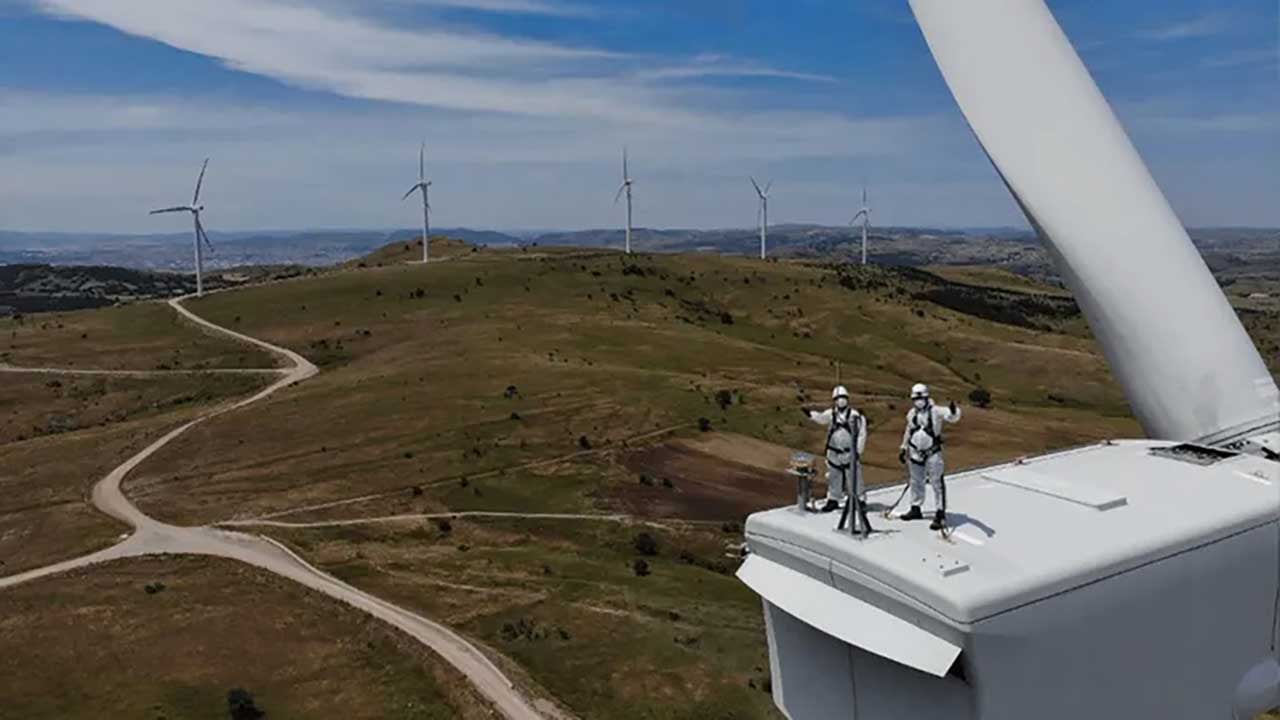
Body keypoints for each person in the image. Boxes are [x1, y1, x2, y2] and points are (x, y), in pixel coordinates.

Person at [898, 383, 961, 531]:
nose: (918, 401)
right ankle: (915, 507)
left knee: (937, 483)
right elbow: (908, 430)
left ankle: (940, 512)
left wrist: (953, 411)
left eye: (921, 397)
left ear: (927, 397)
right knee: (915, 481)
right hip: (915, 452)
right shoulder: (912, 414)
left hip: (933, 453)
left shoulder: (936, 411)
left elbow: (951, 416)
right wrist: (903, 447)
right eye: (916, 398)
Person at [803, 385, 867, 514]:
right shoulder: (831, 413)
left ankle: (858, 499)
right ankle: (833, 499)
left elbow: (862, 433)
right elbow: (821, 418)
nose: (841, 400)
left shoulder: (854, 415)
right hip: (833, 452)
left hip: (849, 452)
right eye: (838, 398)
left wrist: (858, 451)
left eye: (843, 398)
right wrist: (810, 414)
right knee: (834, 476)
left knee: (853, 476)